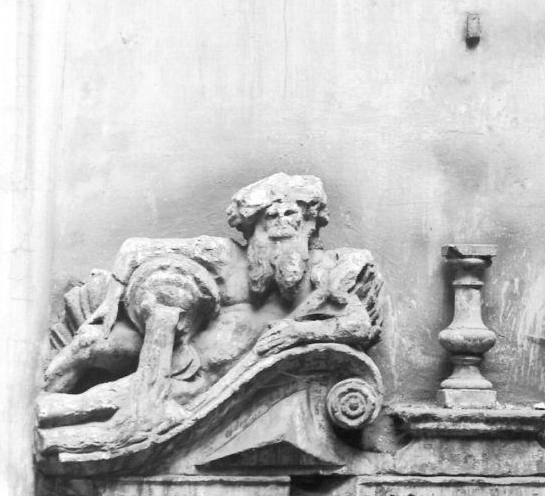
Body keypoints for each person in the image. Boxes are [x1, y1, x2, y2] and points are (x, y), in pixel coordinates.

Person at [38, 173, 380, 455]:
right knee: (91, 343)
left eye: (291, 216)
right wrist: (113, 293)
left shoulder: (323, 274)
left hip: (204, 383)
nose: (280, 224)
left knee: (102, 402)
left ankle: (50, 427)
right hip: (174, 349)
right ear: (251, 227)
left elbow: (357, 325)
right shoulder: (224, 256)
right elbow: (136, 249)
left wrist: (299, 333)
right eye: (268, 219)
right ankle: (41, 413)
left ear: (309, 225)